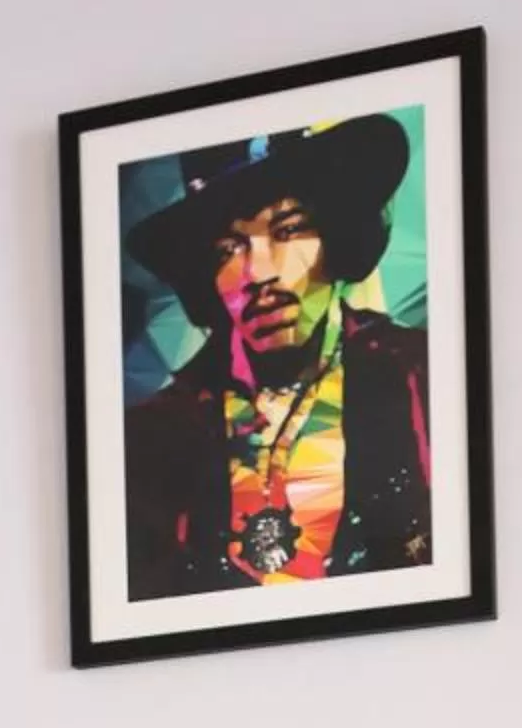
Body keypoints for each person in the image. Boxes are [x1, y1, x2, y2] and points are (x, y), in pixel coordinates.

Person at [121, 116, 431, 599]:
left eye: (289, 230)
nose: (258, 272)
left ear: (336, 238)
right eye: (228, 249)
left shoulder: (421, 380)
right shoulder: (152, 438)